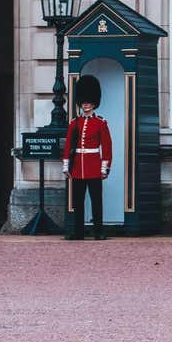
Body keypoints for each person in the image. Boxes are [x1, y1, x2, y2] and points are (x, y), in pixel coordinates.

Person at [62, 75, 112, 240]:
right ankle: (78, 232)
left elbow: (107, 146)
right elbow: (69, 144)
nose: (85, 104)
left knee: (96, 201)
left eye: (88, 102)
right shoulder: (74, 123)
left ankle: (98, 231)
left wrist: (104, 168)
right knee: (78, 202)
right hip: (77, 167)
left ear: (94, 103)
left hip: (93, 166)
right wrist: (66, 166)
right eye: (83, 101)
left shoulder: (100, 123)